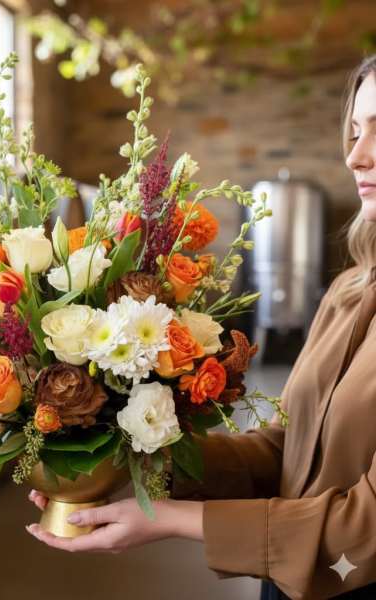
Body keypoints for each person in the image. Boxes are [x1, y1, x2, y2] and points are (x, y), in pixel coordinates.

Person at [25, 54, 376, 600]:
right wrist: (135, 459)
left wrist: (169, 519)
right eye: (354, 131)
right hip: (286, 582)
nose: (355, 155)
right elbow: (288, 450)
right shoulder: (350, 291)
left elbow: (365, 527)